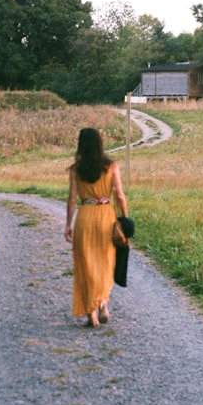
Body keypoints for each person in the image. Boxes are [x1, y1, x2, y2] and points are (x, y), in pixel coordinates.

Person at [64, 128, 128, 327]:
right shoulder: (111, 166)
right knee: (106, 262)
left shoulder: (76, 170)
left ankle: (90, 314)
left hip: (85, 217)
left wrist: (68, 223)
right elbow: (119, 195)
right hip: (106, 217)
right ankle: (102, 301)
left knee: (86, 264)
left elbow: (72, 199)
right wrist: (125, 219)